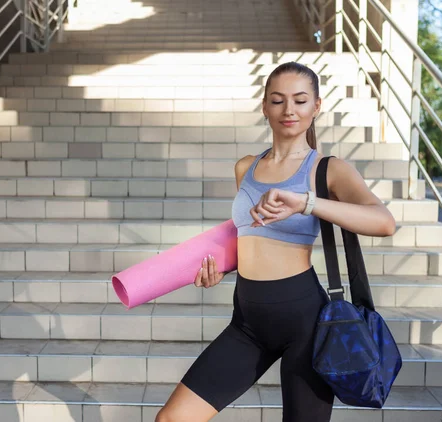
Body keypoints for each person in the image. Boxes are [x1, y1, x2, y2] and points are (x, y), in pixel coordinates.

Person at [155, 62, 396, 422]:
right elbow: (253, 235)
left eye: (300, 101)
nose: (289, 110)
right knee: (172, 418)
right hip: (248, 320)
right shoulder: (245, 168)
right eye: (278, 100)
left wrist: (307, 202)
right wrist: (220, 267)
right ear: (265, 106)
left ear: (316, 107)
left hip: (306, 324)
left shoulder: (328, 169)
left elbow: (385, 223)